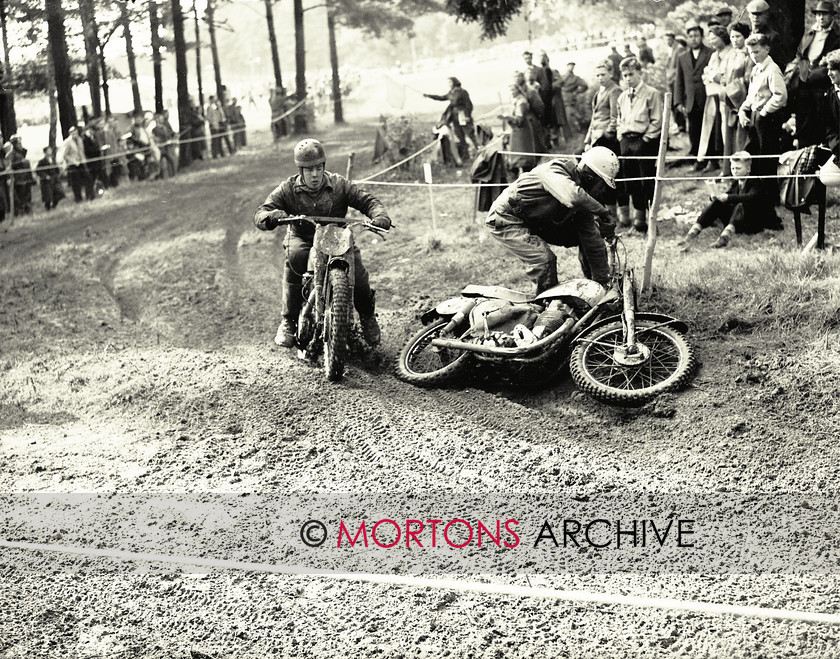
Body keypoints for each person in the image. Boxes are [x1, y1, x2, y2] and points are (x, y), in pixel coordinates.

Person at [253, 138, 392, 348]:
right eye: (309, 170)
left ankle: (367, 317)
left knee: (358, 273)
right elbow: (260, 212)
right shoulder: (287, 189)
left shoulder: (339, 184)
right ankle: (288, 321)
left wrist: (379, 215)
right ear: (300, 170)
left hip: (336, 236)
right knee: (295, 258)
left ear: (324, 166)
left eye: (318, 168)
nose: (315, 174)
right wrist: (271, 216)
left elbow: (368, 200)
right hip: (303, 237)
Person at [484, 146, 619, 294]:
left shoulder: (584, 198)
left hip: (538, 220)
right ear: (589, 176)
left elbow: (593, 242)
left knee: (590, 237)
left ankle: (594, 290)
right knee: (544, 260)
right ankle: (545, 305)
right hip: (507, 218)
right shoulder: (556, 170)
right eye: (602, 185)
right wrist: (603, 213)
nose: (602, 191)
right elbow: (573, 197)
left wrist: (602, 283)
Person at [677, 151, 775, 248]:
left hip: (755, 221)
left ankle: (724, 238)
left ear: (748, 169)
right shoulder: (736, 183)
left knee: (742, 204)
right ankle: (692, 233)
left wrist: (728, 197)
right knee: (717, 202)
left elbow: (750, 197)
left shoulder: (756, 182)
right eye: (732, 168)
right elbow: (729, 195)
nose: (735, 171)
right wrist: (716, 197)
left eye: (738, 168)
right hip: (740, 220)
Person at [616, 56, 663, 232]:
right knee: (631, 182)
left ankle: (652, 221)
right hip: (627, 142)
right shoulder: (622, 97)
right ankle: (639, 221)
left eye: (631, 74)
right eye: (625, 75)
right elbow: (619, 120)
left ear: (639, 73)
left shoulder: (652, 93)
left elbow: (657, 121)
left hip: (644, 141)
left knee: (647, 182)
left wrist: (644, 140)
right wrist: (621, 137)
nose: (628, 78)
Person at [785, 1, 840, 148]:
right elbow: (800, 54)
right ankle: (803, 154)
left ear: (832, 16)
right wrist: (801, 69)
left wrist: (821, 66)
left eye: (825, 14)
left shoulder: (837, 36)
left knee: (821, 121)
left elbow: (835, 59)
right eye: (818, 14)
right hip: (804, 81)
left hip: (822, 84)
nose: (821, 18)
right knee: (803, 120)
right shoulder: (810, 33)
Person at [738, 32, 788, 179]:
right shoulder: (756, 69)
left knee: (766, 156)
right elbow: (751, 96)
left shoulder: (772, 69)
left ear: (767, 49)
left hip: (767, 118)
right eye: (751, 52)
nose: (754, 55)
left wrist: (765, 111)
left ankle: (768, 195)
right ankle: (754, 191)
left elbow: (781, 95)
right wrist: (742, 110)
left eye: (757, 51)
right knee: (752, 153)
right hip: (755, 116)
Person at [675, 25, 713, 168]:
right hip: (690, 100)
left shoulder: (710, 53)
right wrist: (678, 101)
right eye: (690, 36)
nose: (693, 39)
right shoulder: (682, 57)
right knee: (694, 129)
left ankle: (710, 159)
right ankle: (697, 158)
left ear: (701, 37)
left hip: (706, 98)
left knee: (709, 129)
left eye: (696, 36)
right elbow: (679, 81)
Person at [698, 25, 733, 173]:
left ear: (723, 37)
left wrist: (713, 75)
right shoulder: (713, 56)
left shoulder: (731, 54)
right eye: (710, 38)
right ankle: (717, 163)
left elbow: (724, 78)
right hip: (713, 96)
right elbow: (706, 75)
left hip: (726, 98)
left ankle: (729, 167)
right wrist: (712, 76)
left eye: (714, 38)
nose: (711, 41)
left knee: (725, 132)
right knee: (713, 130)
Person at [424, 77, 476, 162]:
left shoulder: (462, 92)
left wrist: (467, 115)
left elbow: (468, 104)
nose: (449, 84)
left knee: (470, 135)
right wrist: (429, 96)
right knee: (460, 136)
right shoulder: (451, 93)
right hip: (455, 118)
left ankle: (479, 153)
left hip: (463, 116)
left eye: (450, 82)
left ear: (455, 82)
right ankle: (466, 157)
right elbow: (441, 98)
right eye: (448, 83)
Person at [724, 23, 754, 153]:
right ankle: (730, 168)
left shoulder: (749, 55)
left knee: (742, 134)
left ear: (745, 37)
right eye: (732, 37)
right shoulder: (731, 54)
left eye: (738, 36)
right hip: (730, 99)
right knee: (730, 133)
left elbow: (748, 78)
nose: (734, 40)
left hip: (742, 97)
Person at [500, 81, 539, 178]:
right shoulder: (515, 100)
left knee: (523, 156)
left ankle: (527, 176)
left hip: (521, 132)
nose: (511, 92)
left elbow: (520, 119)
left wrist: (507, 118)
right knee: (516, 155)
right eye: (510, 90)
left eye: (513, 90)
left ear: (518, 90)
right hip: (517, 131)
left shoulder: (521, 102)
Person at [58, 126, 90, 203]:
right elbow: (65, 155)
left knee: (87, 179)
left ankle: (89, 196)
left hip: (81, 162)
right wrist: (73, 161)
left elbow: (82, 151)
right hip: (73, 164)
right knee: (76, 183)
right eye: (73, 133)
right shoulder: (68, 142)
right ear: (70, 134)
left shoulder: (79, 139)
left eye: (76, 133)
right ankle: (78, 199)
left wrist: (83, 160)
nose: (75, 134)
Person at [8, 135, 35, 215]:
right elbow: (11, 165)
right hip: (19, 179)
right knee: (21, 195)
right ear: (14, 144)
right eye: (19, 143)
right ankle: (21, 211)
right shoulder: (11, 154)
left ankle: (28, 210)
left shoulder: (21, 152)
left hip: (26, 177)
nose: (20, 145)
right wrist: (21, 162)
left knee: (27, 194)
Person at [560, 62, 589, 133]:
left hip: (571, 100)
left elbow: (584, 85)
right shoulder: (562, 77)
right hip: (561, 100)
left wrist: (577, 92)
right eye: (569, 66)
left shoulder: (576, 78)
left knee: (573, 116)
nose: (571, 68)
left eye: (572, 66)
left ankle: (579, 130)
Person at [35, 146, 64, 211]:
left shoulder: (53, 159)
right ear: (45, 152)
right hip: (47, 181)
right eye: (48, 150)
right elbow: (38, 170)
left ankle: (54, 205)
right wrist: (45, 176)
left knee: (59, 192)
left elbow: (56, 168)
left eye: (50, 150)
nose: (50, 151)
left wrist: (59, 172)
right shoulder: (42, 161)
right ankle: (47, 207)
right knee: (48, 195)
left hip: (55, 179)